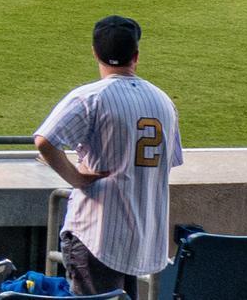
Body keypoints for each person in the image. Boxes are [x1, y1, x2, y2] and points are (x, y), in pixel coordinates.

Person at [35, 16, 182, 297]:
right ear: (136, 55)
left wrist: (75, 178)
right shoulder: (163, 100)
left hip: (95, 233)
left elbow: (45, 141)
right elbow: (169, 162)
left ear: (94, 52)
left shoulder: (90, 97)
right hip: (141, 237)